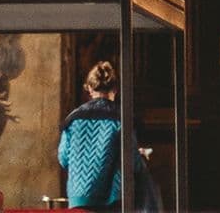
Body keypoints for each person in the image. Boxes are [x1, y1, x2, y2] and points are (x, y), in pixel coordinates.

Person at [57, 61, 160, 211]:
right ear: (115, 89)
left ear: (90, 88)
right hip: (111, 200)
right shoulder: (121, 118)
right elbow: (132, 163)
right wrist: (142, 156)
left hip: (78, 198)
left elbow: (63, 159)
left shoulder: (73, 119)